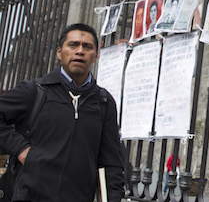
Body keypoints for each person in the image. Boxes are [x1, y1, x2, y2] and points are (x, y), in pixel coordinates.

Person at [0, 23, 125, 202]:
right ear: (59, 52)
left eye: (87, 47)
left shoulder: (103, 102)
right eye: (73, 45)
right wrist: (21, 149)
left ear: (96, 55)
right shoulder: (35, 91)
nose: (80, 51)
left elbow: (112, 162)